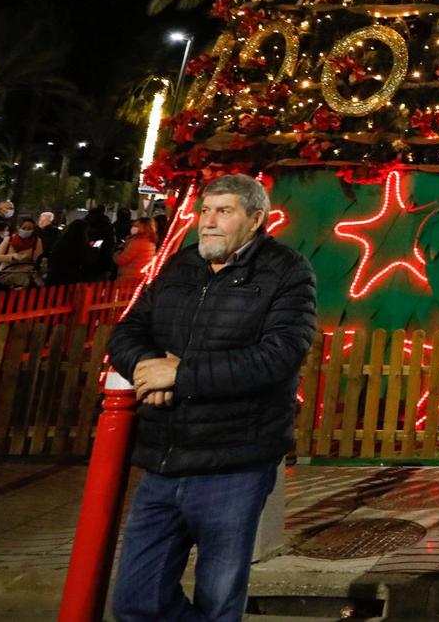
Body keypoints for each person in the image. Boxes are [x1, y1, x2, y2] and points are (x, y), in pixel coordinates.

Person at [108, 174, 317, 622]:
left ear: (255, 219)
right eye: (205, 211)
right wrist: (148, 369)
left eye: (224, 212)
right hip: (164, 458)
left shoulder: (286, 271)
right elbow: (128, 330)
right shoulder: (180, 267)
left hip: (233, 463)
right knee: (135, 599)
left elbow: (278, 356)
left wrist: (181, 376)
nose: (208, 222)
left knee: (219, 599)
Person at [0, 216, 44, 289]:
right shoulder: (9, 240)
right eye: (23, 228)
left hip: (25, 275)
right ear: (18, 228)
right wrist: (12, 257)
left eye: (29, 229)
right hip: (6, 273)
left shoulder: (37, 241)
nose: (26, 231)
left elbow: (38, 260)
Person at [115, 215, 161, 288]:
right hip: (139, 278)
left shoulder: (138, 243)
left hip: (129, 279)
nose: (133, 228)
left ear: (143, 228)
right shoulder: (151, 241)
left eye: (136, 226)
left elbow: (121, 260)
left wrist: (118, 251)